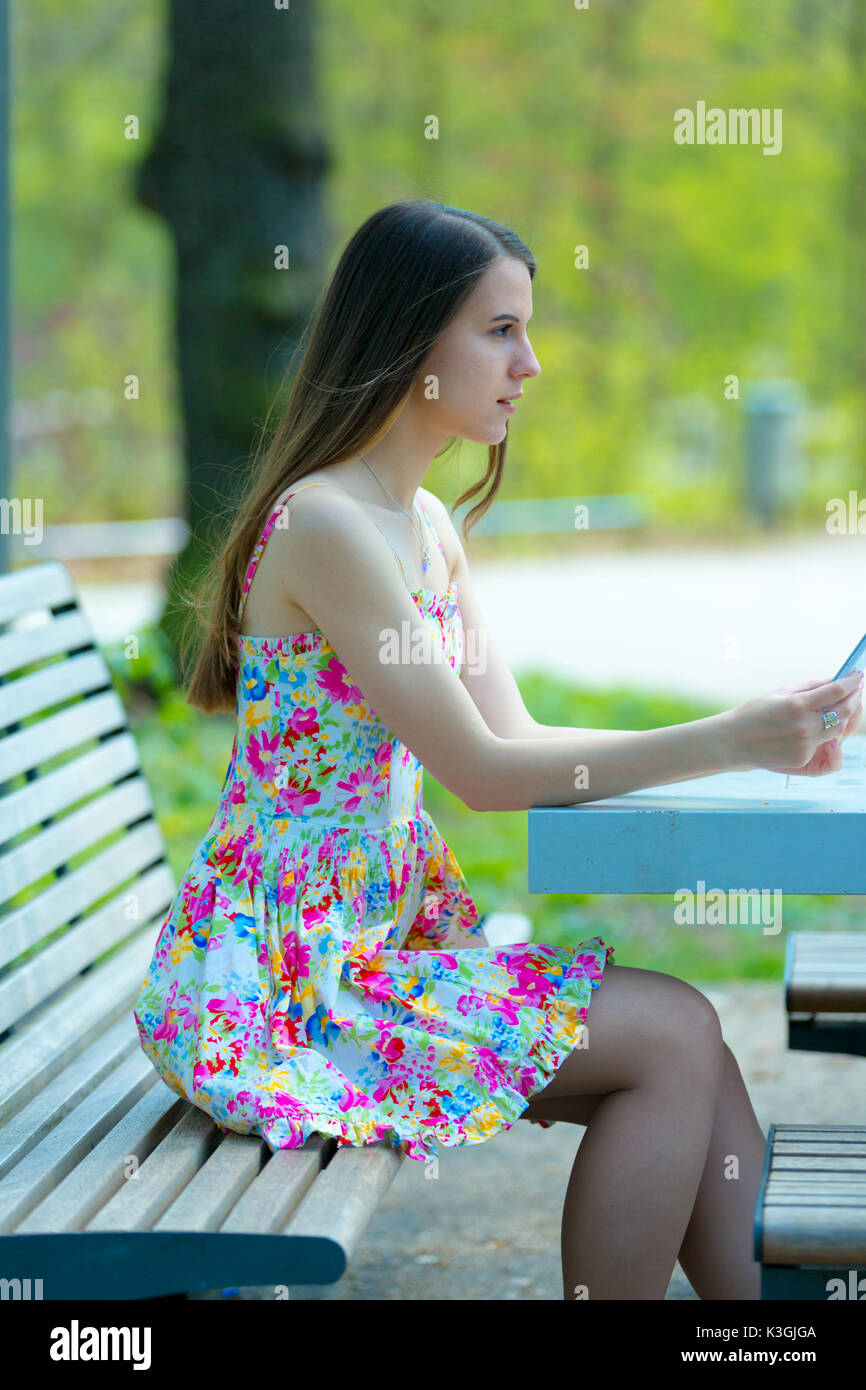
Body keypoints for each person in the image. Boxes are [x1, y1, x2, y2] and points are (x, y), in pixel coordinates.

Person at [133, 197, 864, 1301]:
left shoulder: (417, 520)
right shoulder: (327, 525)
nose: (530, 362)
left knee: (688, 1043)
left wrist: (747, 743)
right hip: (287, 986)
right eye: (500, 329)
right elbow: (481, 776)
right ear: (407, 340)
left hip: (360, 954)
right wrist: (728, 737)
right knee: (672, 1034)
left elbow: (514, 733)